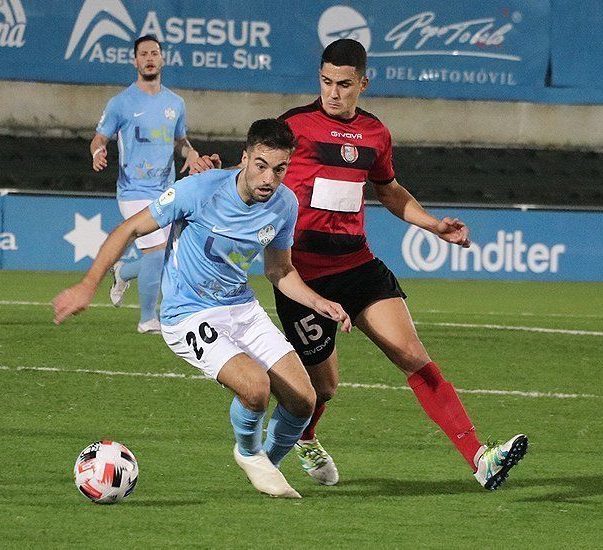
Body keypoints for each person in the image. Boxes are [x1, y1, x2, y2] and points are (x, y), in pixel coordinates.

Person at [190, 39, 527, 491]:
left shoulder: (375, 134)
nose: (333, 92)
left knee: (413, 356)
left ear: (363, 83)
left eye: (344, 84)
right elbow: (254, 169)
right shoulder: (295, 125)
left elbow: (388, 190)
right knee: (322, 389)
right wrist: (213, 174)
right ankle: (304, 436)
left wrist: (432, 225)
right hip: (303, 278)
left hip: (359, 266)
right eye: (326, 82)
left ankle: (480, 458)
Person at [54, 119, 352, 499]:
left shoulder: (284, 205)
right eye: (260, 165)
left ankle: (268, 467)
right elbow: (129, 229)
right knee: (256, 388)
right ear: (244, 158)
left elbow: (280, 270)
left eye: (280, 169)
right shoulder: (198, 190)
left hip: (241, 308)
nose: (269, 179)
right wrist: (87, 285)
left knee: (304, 400)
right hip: (188, 313)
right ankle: (249, 452)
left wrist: (318, 302)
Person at [90, 34, 200, 334]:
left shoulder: (175, 103)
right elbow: (100, 138)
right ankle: (149, 319)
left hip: (166, 188)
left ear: (162, 59)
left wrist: (191, 152)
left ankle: (124, 271)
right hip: (133, 190)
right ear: (135, 61)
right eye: (144, 54)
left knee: (167, 255)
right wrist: (98, 151)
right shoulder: (121, 103)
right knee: (156, 251)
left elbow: (180, 140)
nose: (150, 58)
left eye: (154, 53)